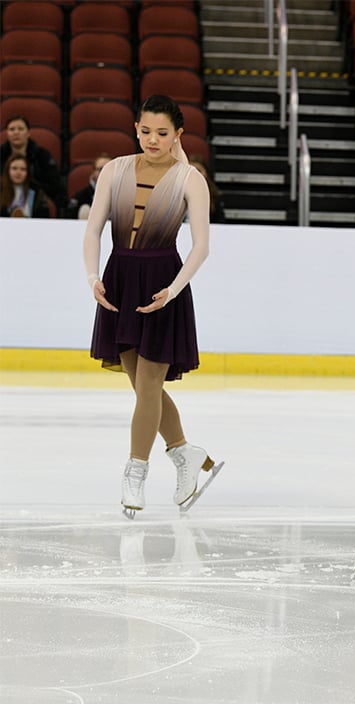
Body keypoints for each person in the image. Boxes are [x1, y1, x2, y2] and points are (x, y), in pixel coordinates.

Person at [82, 95, 222, 519]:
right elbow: (92, 231)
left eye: (162, 133)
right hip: (120, 279)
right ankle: (185, 453)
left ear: (178, 135)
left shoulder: (189, 179)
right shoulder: (115, 169)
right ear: (136, 128)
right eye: (145, 131)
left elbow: (201, 247)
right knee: (143, 385)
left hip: (163, 283)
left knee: (147, 386)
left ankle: (135, 470)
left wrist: (174, 290)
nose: (152, 139)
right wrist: (93, 278)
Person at [1, 115, 64, 208]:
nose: (16, 132)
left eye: (20, 129)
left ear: (28, 133)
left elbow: (54, 186)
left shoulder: (42, 156)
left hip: (36, 203)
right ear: (7, 133)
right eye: (12, 129)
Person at [65, 153, 112, 220]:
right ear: (93, 172)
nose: (104, 172)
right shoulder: (81, 197)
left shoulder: (124, 197)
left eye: (109, 169)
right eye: (100, 169)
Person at [188, 156, 226, 223]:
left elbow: (220, 222)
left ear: (206, 174)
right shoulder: (175, 194)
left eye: (198, 171)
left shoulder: (214, 196)